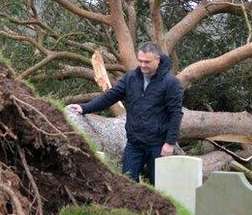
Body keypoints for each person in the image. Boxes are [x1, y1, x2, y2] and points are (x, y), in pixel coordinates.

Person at [67, 42, 184, 184]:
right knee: (127, 184)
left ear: (158, 60)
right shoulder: (130, 78)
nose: (143, 65)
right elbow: (110, 97)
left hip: (158, 145)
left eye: (147, 62)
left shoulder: (171, 83)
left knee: (159, 186)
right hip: (134, 143)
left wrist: (170, 143)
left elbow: (176, 114)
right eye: (140, 61)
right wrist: (84, 108)